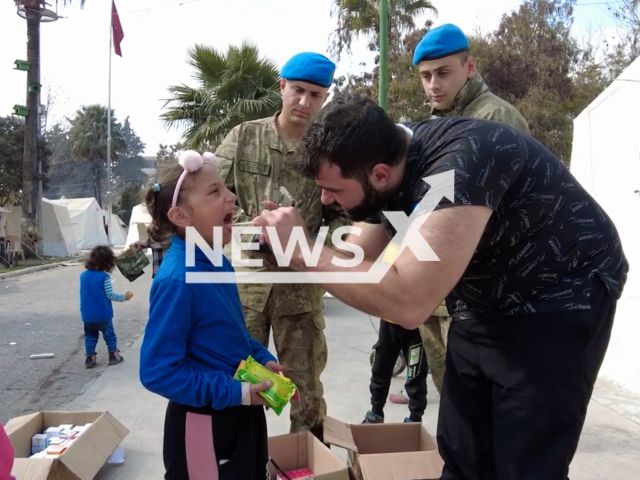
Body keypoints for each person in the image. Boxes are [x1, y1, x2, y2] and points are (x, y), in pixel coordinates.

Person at [252, 93, 629, 479]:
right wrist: (280, 247)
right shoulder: (388, 164)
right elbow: (357, 261)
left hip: (558, 294)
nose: (324, 198)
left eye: (334, 189)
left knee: (526, 462)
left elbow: (408, 303)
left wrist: (302, 250)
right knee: (463, 453)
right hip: (482, 301)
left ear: (379, 174)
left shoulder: (459, 165)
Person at [215, 51, 351, 443]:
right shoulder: (244, 137)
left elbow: (342, 216)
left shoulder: (330, 152)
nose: (305, 102)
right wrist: (249, 229)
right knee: (244, 387)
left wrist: (312, 245)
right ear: (282, 87)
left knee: (305, 391)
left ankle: (306, 463)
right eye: (298, 90)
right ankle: (244, 462)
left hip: (300, 293)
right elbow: (216, 199)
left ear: (325, 98)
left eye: (315, 94)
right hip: (247, 293)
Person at [392, 22, 532, 400]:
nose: (433, 85)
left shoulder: (496, 119)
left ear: (469, 67)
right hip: (441, 289)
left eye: (443, 73)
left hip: (487, 290)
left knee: (485, 401)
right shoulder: (434, 127)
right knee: (453, 396)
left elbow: (509, 212)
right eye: (425, 76)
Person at [138, 151, 284, 480]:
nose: (231, 196)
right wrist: (235, 392)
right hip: (204, 424)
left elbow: (231, 333)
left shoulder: (218, 263)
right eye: (215, 191)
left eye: (226, 188)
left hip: (241, 413)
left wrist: (261, 357)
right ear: (181, 215)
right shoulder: (178, 280)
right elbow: (158, 372)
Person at [364, 317, 429, 424]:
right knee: (381, 367)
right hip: (389, 319)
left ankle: (415, 418)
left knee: (416, 372)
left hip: (414, 322)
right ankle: (376, 412)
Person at [79, 245, 132, 369]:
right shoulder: (104, 277)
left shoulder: (83, 276)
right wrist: (124, 297)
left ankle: (90, 358)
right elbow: (110, 295)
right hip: (103, 314)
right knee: (109, 335)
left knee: (90, 336)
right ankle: (113, 355)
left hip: (87, 314)